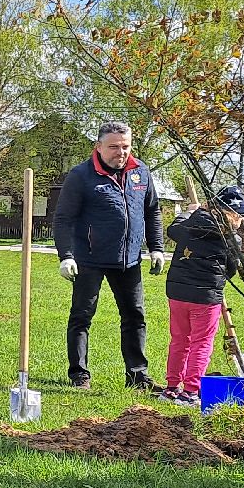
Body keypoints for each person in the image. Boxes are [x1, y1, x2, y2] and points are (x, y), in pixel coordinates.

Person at [53, 122, 165, 391]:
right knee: (82, 316)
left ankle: (138, 376)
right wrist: (66, 255)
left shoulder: (141, 173)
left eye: (125, 146)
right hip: (88, 258)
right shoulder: (81, 175)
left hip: (129, 260)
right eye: (114, 147)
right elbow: (63, 218)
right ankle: (79, 374)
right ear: (99, 147)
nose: (121, 152)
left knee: (135, 316)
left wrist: (157, 247)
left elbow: (153, 212)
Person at [159, 187, 244, 406]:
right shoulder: (231, 239)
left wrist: (188, 212)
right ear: (234, 215)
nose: (241, 222)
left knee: (179, 339)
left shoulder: (190, 224)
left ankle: (171, 388)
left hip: (178, 293)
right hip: (206, 297)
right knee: (202, 343)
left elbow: (173, 230)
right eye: (241, 218)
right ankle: (190, 391)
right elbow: (231, 269)